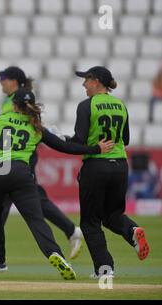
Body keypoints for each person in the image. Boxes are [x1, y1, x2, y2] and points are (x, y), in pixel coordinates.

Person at [0, 88, 114, 279]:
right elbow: (66, 147)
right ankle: (54, 252)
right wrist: (96, 148)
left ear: (14, 104)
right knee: (35, 220)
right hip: (19, 174)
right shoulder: (37, 127)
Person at [0, 66, 84, 263]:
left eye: (3, 78)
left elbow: (33, 127)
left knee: (21, 199)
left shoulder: (18, 100)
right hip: (16, 157)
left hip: (20, 157)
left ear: (14, 81)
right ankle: (70, 231)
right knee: (27, 198)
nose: (0, 81)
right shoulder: (10, 101)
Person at [70, 66, 150, 278]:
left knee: (90, 222)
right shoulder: (121, 105)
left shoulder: (86, 106)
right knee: (113, 215)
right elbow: (126, 139)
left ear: (96, 81)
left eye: (86, 80)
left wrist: (64, 139)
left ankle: (105, 269)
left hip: (96, 165)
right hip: (120, 166)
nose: (83, 84)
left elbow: (79, 141)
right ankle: (132, 230)